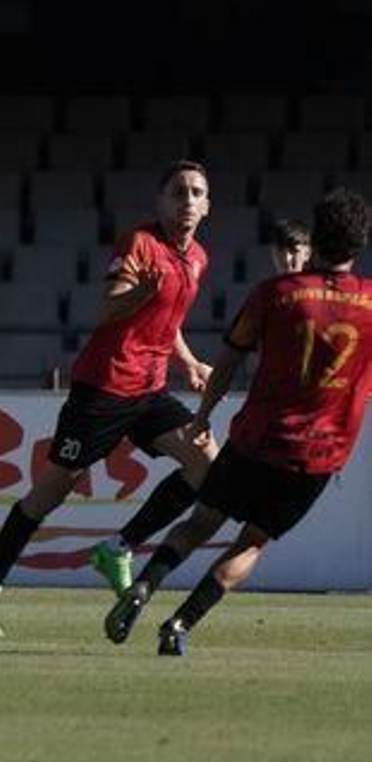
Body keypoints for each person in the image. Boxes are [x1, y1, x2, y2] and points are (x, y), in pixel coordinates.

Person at [104, 188, 372, 655]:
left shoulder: (276, 295)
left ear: (317, 238)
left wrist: (204, 415)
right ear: (359, 244)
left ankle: (146, 584)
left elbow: (227, 362)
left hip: (256, 440)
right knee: (252, 542)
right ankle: (181, 624)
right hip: (318, 455)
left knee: (202, 520)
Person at [0, 161, 219, 637]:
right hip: (103, 388)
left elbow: (169, 319)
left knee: (207, 463)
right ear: (160, 201)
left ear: (207, 206)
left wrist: (188, 361)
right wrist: (142, 290)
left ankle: (120, 547)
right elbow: (108, 309)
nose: (187, 200)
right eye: (178, 191)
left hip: (150, 388)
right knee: (51, 493)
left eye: (196, 193)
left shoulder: (199, 257)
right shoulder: (139, 243)